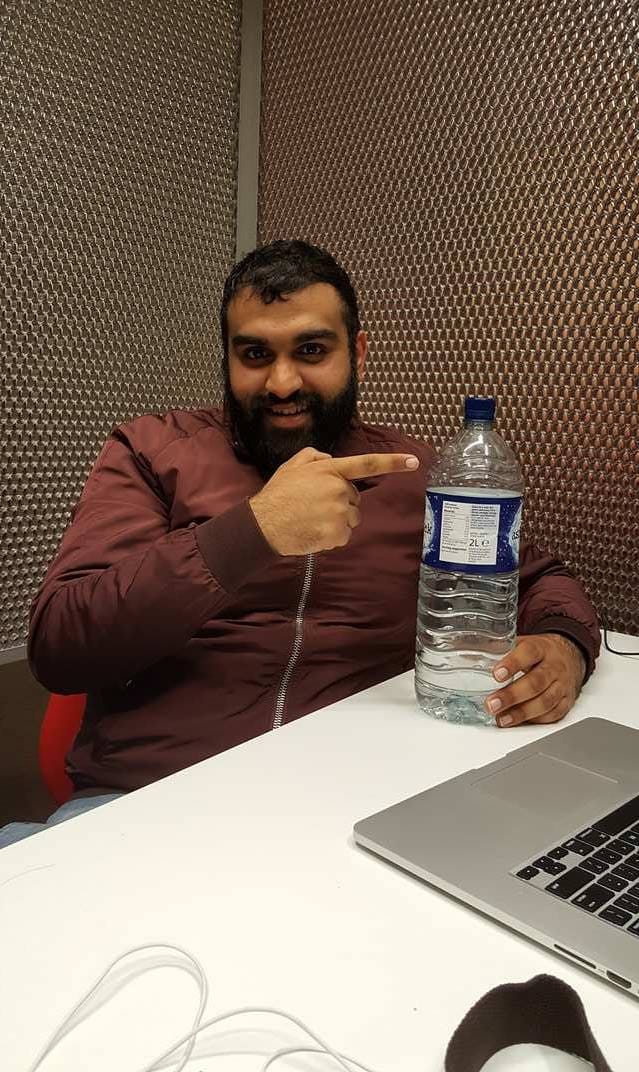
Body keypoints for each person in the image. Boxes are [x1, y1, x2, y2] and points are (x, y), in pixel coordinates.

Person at [1, 240, 600, 848]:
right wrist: (252, 531)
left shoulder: (414, 473)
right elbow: (62, 645)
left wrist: (564, 646)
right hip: (148, 803)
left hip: (359, 806)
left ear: (357, 352)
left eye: (312, 350)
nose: (282, 382)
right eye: (255, 354)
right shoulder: (152, 451)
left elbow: (537, 578)